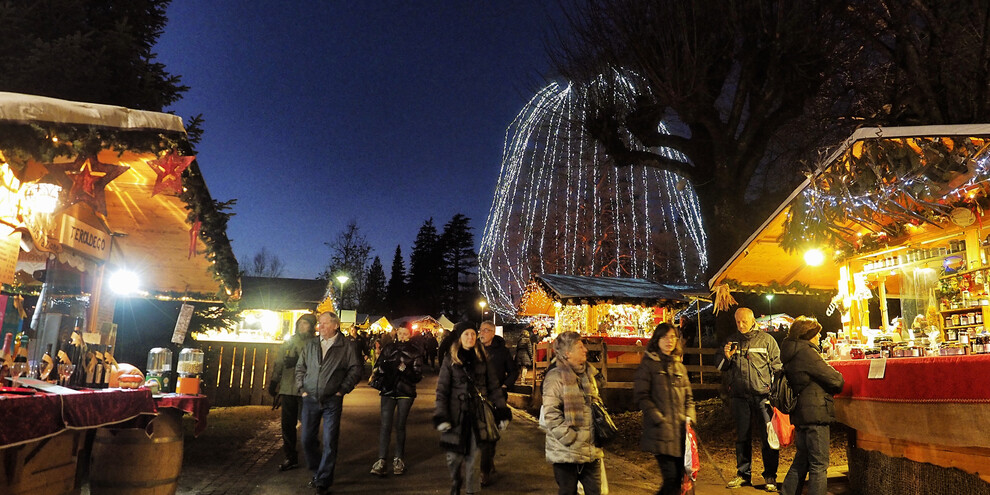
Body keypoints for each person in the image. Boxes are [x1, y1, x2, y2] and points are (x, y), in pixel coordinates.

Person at [434, 321, 510, 495]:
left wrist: (502, 411)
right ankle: (455, 481)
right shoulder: (450, 359)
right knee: (453, 457)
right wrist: (441, 415)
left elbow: (494, 387)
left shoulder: (482, 358)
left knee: (474, 458)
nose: (470, 337)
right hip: (455, 415)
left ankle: (471, 490)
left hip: (477, 414)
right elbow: (442, 390)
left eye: (473, 334)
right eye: (466, 334)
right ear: (460, 338)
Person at [295, 311, 363, 495]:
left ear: (335, 325)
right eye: (320, 323)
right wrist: (302, 388)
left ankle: (323, 480)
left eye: (325, 323)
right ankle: (318, 471)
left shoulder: (346, 346)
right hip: (310, 398)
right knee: (307, 439)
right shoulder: (311, 345)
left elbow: (356, 369)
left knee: (329, 440)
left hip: (332, 399)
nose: (320, 326)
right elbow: (300, 367)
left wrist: (343, 389)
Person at [715, 307, 782, 492]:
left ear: (753, 320)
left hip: (763, 397)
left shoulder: (767, 341)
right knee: (742, 438)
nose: (741, 325)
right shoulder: (731, 341)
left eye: (744, 321)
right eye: (737, 322)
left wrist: (774, 393)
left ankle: (770, 476)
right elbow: (720, 366)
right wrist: (726, 357)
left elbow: (777, 368)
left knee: (768, 437)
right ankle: (743, 475)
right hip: (739, 396)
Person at [780, 317, 845, 495]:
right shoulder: (806, 353)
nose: (819, 338)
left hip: (801, 412)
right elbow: (835, 379)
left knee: (802, 460)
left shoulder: (791, 351)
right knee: (819, 464)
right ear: (808, 335)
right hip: (815, 413)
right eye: (817, 334)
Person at [633, 323, 696, 495]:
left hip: (680, 433)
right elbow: (641, 395)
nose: (669, 341)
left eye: (673, 337)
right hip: (660, 432)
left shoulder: (679, 367)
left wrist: (689, 418)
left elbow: (689, 397)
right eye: (665, 337)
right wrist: (658, 417)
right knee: (671, 480)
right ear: (657, 340)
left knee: (677, 481)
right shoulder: (648, 365)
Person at [542, 331, 604, 495]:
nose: (585, 350)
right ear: (567, 353)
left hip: (590, 450)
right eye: (580, 346)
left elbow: (595, 406)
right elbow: (551, 413)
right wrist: (569, 437)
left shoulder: (589, 374)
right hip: (566, 452)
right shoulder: (555, 377)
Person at [370, 324, 424, 476]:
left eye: (405, 333)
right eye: (400, 333)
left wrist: (405, 371)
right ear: (396, 333)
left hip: (405, 391)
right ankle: (381, 459)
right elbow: (378, 366)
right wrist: (385, 369)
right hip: (388, 389)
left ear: (410, 335)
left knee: (400, 425)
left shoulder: (415, 351)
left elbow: (418, 375)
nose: (402, 336)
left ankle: (398, 458)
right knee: (385, 425)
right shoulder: (388, 348)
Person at [271, 314, 316, 472]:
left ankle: (312, 455)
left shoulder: (314, 343)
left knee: (308, 424)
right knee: (287, 425)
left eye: (306, 324)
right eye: (300, 323)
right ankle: (290, 456)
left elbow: (316, 365)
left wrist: (297, 361)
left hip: (306, 389)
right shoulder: (290, 340)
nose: (302, 326)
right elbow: (279, 361)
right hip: (288, 387)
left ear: (311, 326)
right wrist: (274, 381)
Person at [477, 321, 518, 486]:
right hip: (476, 397)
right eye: (480, 330)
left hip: (495, 397)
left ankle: (484, 470)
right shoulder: (474, 350)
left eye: (486, 330)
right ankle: (485, 464)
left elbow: (513, 371)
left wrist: (505, 385)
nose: (482, 333)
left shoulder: (502, 352)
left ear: (493, 333)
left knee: (489, 435)